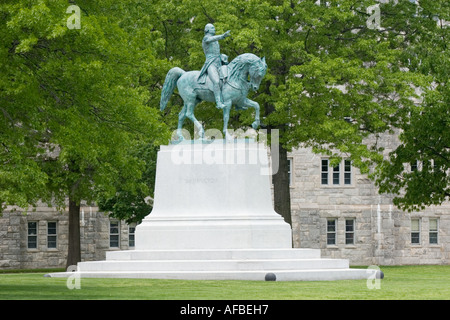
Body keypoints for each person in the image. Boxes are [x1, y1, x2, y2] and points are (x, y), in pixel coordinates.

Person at [197, 24, 230, 109]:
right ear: (207, 30)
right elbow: (211, 39)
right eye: (212, 28)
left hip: (219, 63)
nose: (214, 29)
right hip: (210, 64)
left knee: (229, 80)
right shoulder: (206, 38)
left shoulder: (215, 40)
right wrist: (222, 36)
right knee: (216, 81)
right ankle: (218, 103)